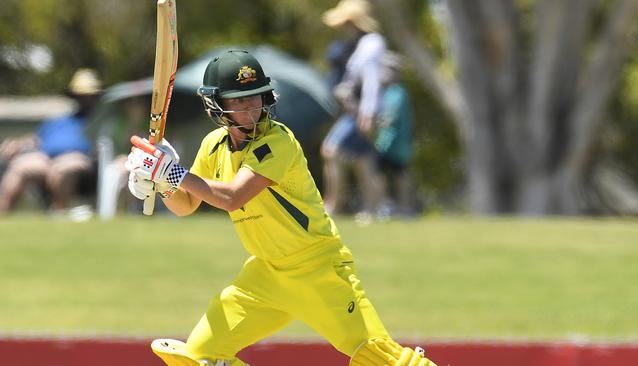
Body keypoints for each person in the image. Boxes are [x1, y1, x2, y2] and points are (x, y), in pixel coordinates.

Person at [125, 50, 437, 366]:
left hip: (317, 268)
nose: (251, 110)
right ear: (216, 105)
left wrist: (172, 172)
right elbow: (186, 205)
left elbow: (234, 197)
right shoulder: (213, 146)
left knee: (381, 359)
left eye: (256, 98)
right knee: (199, 357)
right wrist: (161, 184)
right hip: (265, 275)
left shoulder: (278, 141)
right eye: (239, 101)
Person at [0, 68, 101, 214]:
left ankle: (58, 215)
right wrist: (18, 145)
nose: (85, 99)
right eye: (81, 95)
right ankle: (4, 213)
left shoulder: (99, 122)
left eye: (90, 96)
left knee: (63, 169)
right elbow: (36, 139)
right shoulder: (59, 120)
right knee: (19, 167)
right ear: (74, 96)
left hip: (79, 161)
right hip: (47, 158)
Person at [320, 0, 387, 219]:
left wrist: (367, 114)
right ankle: (372, 208)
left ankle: (333, 204)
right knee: (363, 160)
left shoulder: (370, 44)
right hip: (356, 110)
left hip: (359, 113)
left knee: (330, 149)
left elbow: (371, 82)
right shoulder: (357, 46)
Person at [375, 52, 417, 217]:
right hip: (385, 143)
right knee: (381, 175)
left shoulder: (399, 92)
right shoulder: (387, 92)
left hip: (396, 145)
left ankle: (404, 208)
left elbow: (390, 118)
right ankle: (387, 206)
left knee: (400, 177)